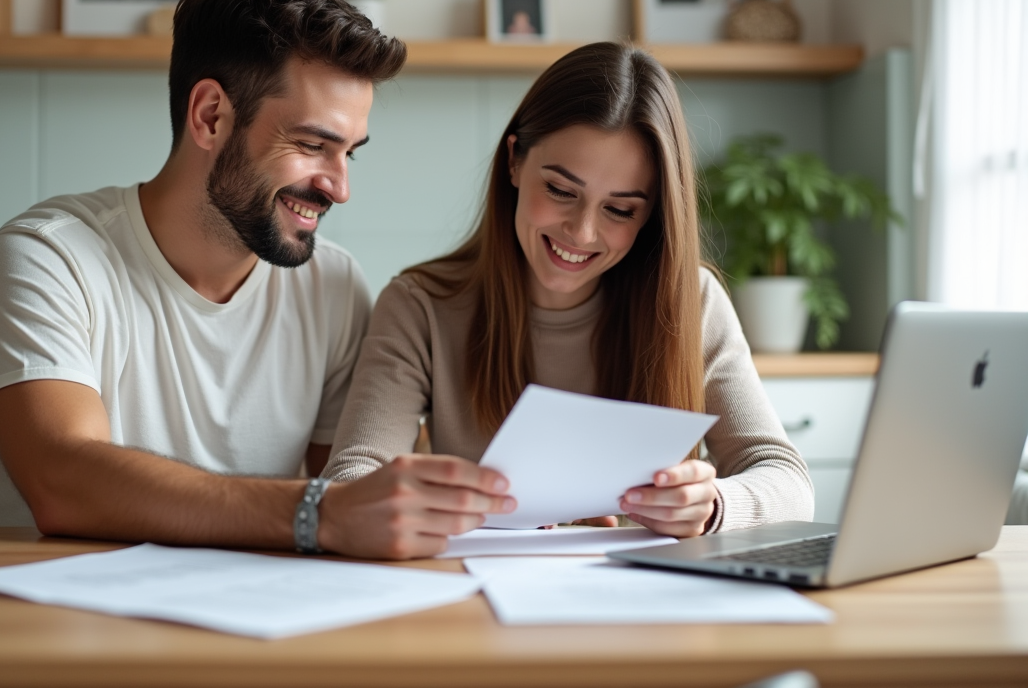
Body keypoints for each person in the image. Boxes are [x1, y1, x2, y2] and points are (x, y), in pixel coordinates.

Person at [0, 0, 515, 559]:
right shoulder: (46, 259)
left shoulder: (332, 287)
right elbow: (64, 482)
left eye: (349, 153)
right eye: (311, 144)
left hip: (241, 630)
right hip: (36, 630)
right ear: (211, 115)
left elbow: (353, 505)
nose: (339, 187)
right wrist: (317, 513)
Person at [324, 42, 813, 538]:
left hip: (652, 603)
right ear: (514, 161)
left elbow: (788, 481)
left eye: (620, 210)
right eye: (560, 191)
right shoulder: (420, 306)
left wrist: (713, 507)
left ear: (653, 216)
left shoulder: (693, 302)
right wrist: (460, 507)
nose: (581, 233)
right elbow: (350, 481)